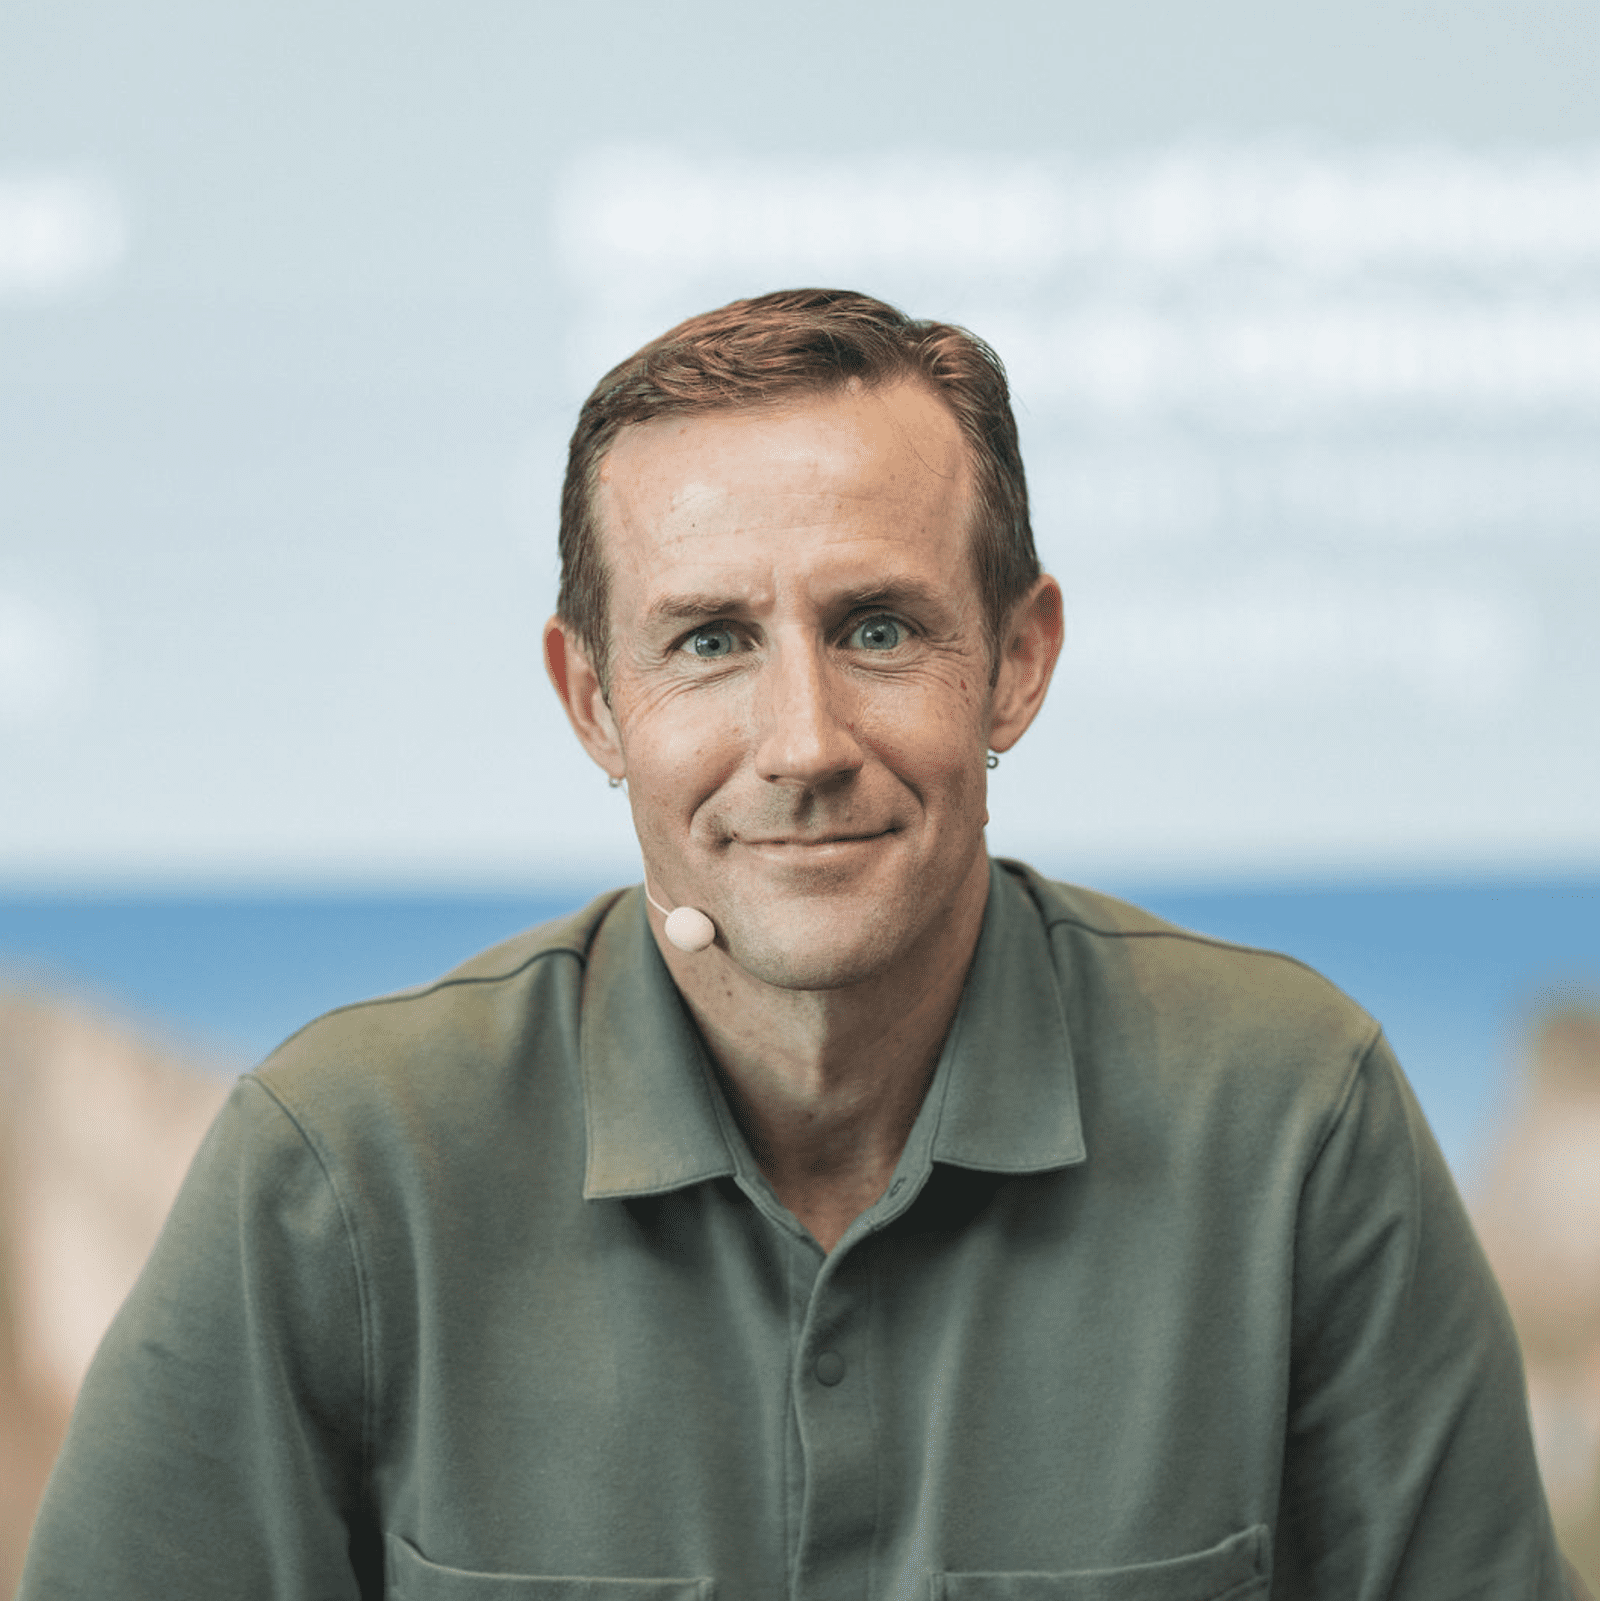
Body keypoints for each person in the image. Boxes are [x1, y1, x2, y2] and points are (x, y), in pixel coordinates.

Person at [18, 288, 1583, 1598]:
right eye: (710, 642)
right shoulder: (345, 1162)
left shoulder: (1295, 1119)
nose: (803, 742)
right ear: (594, 704)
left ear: (1018, 664)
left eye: (878, 629)